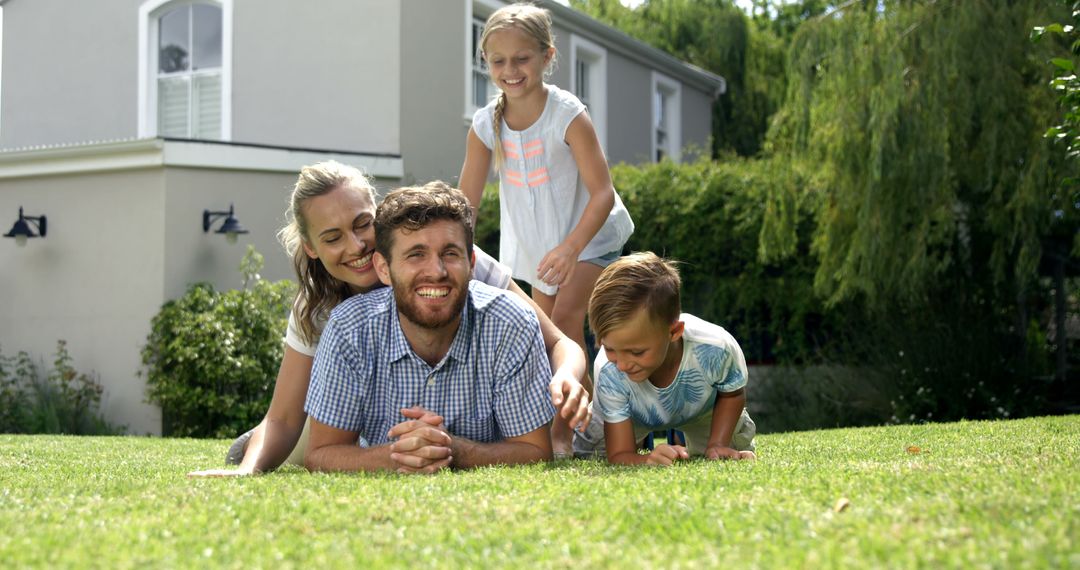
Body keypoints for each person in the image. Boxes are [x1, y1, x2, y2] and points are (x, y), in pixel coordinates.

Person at [188, 162, 588, 477]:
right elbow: (285, 416)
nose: (356, 245)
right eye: (332, 237)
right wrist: (249, 470)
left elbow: (555, 341)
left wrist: (564, 383)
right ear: (311, 247)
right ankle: (248, 447)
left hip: (470, 413)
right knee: (283, 447)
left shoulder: (459, 264)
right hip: (346, 412)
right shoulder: (323, 310)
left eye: (363, 224)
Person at [304, 182, 554, 473]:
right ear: (383, 268)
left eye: (450, 253)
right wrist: (401, 455)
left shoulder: (511, 323)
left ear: (471, 263)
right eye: (416, 255)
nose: (437, 272)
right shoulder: (349, 328)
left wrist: (454, 451)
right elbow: (320, 454)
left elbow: (536, 452)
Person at [458, 4, 634, 406]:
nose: (510, 69)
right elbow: (466, 205)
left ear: (546, 56)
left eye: (522, 58)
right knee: (547, 337)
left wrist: (572, 248)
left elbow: (603, 193)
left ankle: (567, 434)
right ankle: (587, 424)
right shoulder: (486, 125)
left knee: (566, 323)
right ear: (485, 61)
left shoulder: (567, 114)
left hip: (589, 237)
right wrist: (454, 249)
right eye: (498, 60)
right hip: (541, 246)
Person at [572, 252, 757, 466]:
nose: (622, 365)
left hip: (702, 411)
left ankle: (681, 435)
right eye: (609, 348)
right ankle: (642, 439)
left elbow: (732, 394)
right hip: (631, 416)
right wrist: (646, 459)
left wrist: (718, 443)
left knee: (730, 450)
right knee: (591, 452)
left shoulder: (714, 348)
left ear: (674, 332)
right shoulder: (609, 370)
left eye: (637, 352)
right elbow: (619, 455)